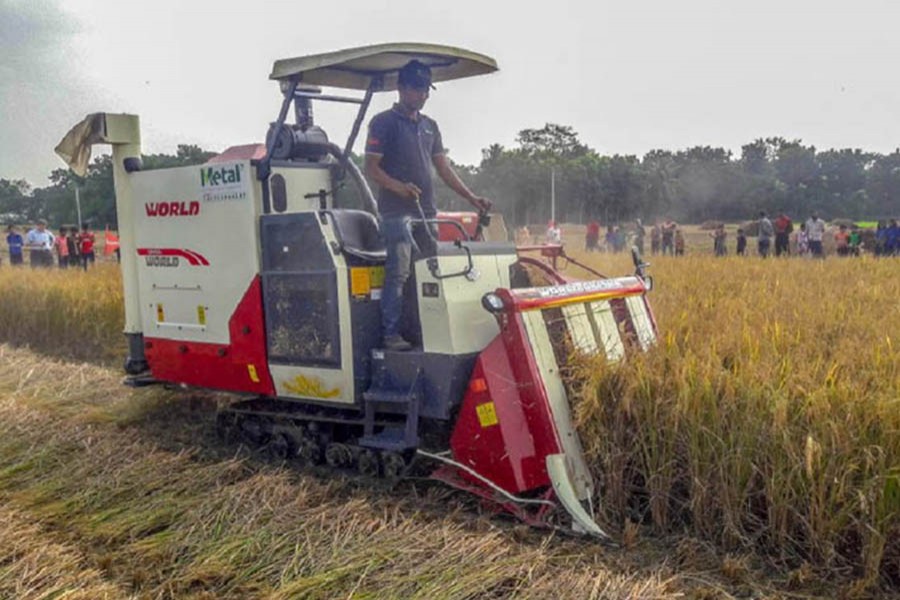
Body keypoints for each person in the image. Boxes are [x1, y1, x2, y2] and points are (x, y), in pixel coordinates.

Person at [364, 60, 490, 352]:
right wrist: (399, 187)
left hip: (426, 213)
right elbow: (372, 168)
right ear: (402, 88)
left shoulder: (430, 126)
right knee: (399, 273)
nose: (424, 95)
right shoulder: (383, 123)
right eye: (419, 88)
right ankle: (391, 335)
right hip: (397, 214)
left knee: (430, 270)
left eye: (426, 89)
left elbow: (444, 169)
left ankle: (427, 330)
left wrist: (472, 198)